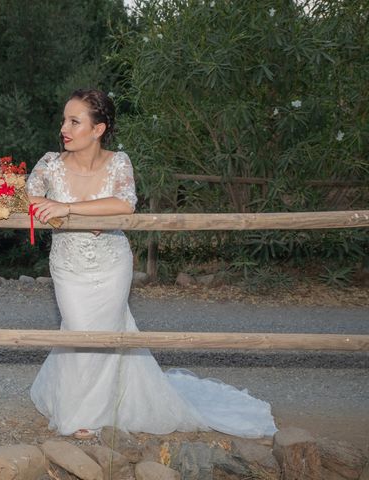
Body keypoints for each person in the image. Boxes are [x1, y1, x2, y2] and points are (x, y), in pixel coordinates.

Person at [26, 88, 277, 440]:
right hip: (68, 264)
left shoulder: (119, 162)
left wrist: (69, 209)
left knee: (105, 333)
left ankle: (86, 414)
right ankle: (83, 401)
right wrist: (77, 212)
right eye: (64, 119)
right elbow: (30, 196)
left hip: (112, 264)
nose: (63, 128)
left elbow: (125, 203)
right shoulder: (50, 163)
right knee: (80, 329)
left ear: (98, 130)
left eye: (74, 121)